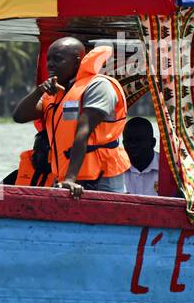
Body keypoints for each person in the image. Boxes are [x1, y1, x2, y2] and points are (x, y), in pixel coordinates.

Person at [12, 37, 131, 197]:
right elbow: (19, 116)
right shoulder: (55, 94)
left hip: (102, 178)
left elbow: (84, 130)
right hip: (68, 178)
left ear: (77, 61)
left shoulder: (98, 85)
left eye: (58, 59)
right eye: (48, 60)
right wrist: (39, 91)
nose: (50, 65)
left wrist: (70, 178)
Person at [121, 117, 179, 197]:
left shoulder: (170, 170)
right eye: (129, 141)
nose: (132, 145)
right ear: (123, 143)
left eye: (138, 140)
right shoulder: (115, 171)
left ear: (153, 143)